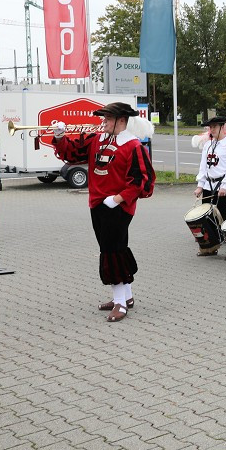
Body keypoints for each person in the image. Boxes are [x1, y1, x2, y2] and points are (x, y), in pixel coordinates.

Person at [53, 102, 155, 322]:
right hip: (97, 204)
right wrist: (60, 138)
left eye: (107, 118)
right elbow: (73, 153)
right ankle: (125, 296)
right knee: (112, 248)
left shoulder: (133, 145)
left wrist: (117, 199)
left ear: (121, 120)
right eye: (104, 118)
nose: (103, 121)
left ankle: (120, 303)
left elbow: (140, 180)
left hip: (118, 207)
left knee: (112, 250)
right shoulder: (97, 139)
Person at [193, 116, 226, 257]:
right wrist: (200, 185)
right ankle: (210, 247)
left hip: (224, 187)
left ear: (222, 127)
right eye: (210, 127)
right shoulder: (208, 145)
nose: (211, 130)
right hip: (209, 185)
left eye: (214, 127)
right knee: (208, 218)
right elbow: (203, 167)